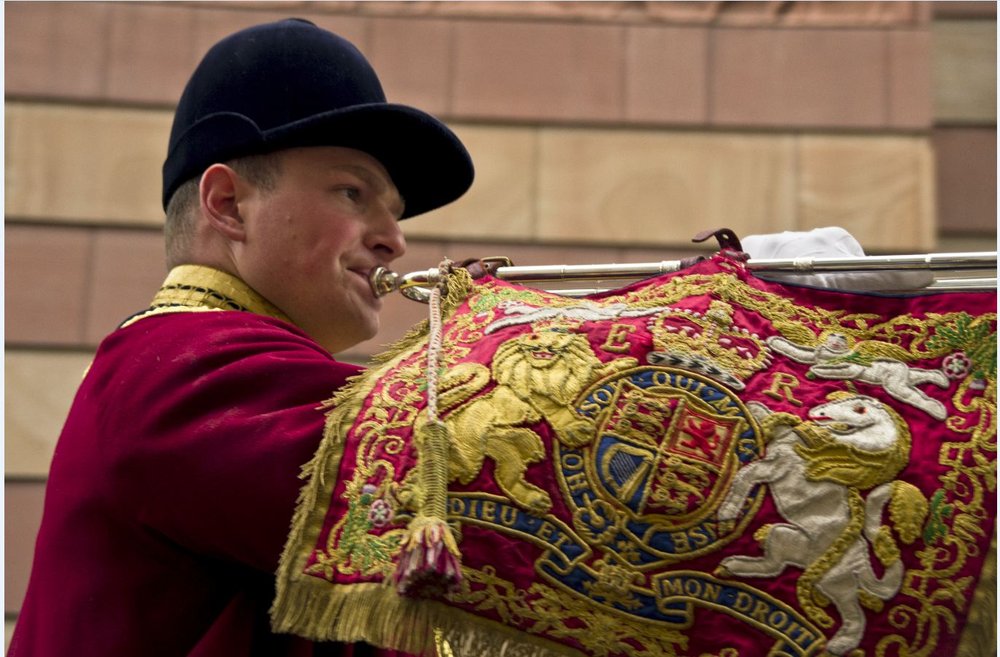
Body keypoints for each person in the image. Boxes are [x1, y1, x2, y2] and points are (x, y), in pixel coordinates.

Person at [9, 18, 473, 657]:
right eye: (353, 192)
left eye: (392, 212)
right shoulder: (181, 366)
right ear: (227, 204)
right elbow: (466, 483)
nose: (393, 240)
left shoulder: (177, 359)